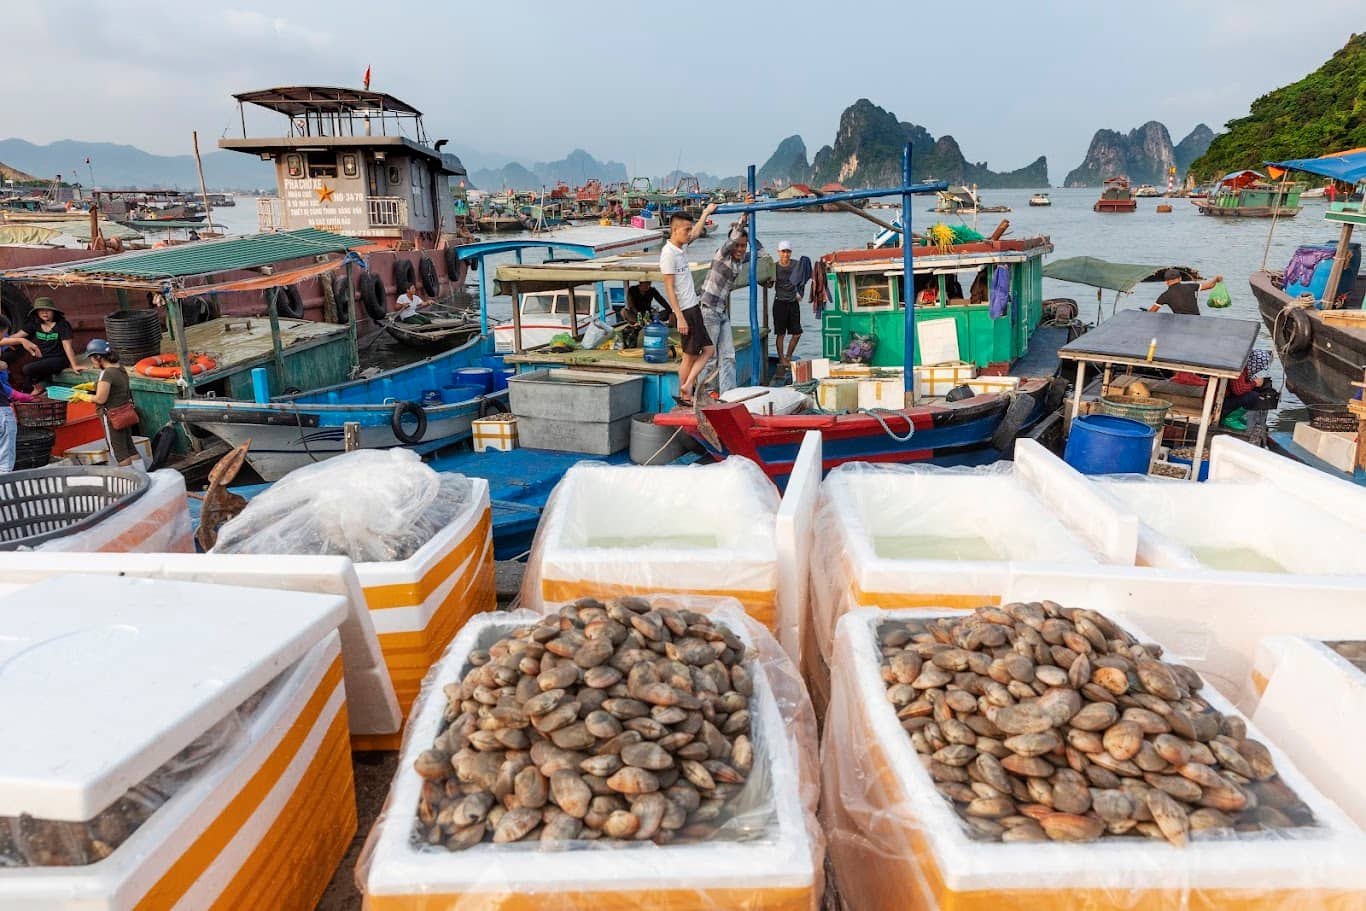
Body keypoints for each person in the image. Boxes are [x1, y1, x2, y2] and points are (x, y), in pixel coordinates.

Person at [660, 202, 718, 405]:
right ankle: (686, 390)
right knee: (690, 355)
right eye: (685, 230)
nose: (688, 233)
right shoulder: (668, 254)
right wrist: (680, 318)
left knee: (704, 351)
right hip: (686, 310)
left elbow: (695, 233)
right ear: (674, 230)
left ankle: (687, 388)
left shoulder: (680, 248)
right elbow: (669, 289)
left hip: (693, 307)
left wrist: (705, 213)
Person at [698, 201, 758, 394]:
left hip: (721, 311)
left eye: (744, 246)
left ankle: (728, 395)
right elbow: (733, 240)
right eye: (738, 246)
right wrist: (745, 215)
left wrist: (751, 234)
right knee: (711, 357)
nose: (741, 249)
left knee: (729, 356)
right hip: (708, 310)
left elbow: (760, 251)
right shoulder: (722, 254)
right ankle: (704, 394)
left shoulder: (740, 261)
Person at [72, 339, 138, 467]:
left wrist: (81, 396)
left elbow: (100, 399)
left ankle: (134, 481)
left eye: (91, 357)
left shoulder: (106, 373)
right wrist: (91, 386)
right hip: (125, 413)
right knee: (130, 448)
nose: (91, 361)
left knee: (119, 453)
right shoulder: (119, 368)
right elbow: (113, 386)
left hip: (112, 417)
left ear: (98, 357)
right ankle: (145, 475)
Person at [4, 299, 79, 392]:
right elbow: (17, 336)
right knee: (27, 378)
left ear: (53, 312)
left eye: (48, 310)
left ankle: (34, 390)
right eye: (41, 310)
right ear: (37, 313)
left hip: (59, 359)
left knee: (27, 369)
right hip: (43, 359)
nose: (44, 313)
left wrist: (74, 365)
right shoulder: (35, 323)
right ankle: (26, 397)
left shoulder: (62, 325)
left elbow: (67, 346)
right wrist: (7, 341)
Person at [1221, 349, 1273, 429]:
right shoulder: (1240, 369)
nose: (1259, 369)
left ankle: (1235, 416)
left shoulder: (1245, 368)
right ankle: (1230, 419)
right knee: (1253, 396)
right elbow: (1238, 390)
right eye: (1260, 367)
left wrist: (1253, 383)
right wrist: (1254, 383)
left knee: (1255, 391)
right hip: (1221, 402)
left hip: (1228, 398)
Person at [772, 241, 803, 367]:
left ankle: (789, 356)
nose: (786, 254)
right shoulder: (774, 267)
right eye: (783, 251)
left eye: (788, 251)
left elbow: (806, 274)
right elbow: (768, 283)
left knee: (797, 333)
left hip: (793, 302)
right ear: (778, 252)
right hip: (780, 302)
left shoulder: (796, 265)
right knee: (780, 334)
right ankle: (781, 358)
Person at [1149, 269, 1222, 315]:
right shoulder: (1191, 287)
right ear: (1180, 278)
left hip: (1180, 323)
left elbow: (1152, 312)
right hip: (1196, 320)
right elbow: (1210, 286)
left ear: (1167, 282)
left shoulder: (1164, 295)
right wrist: (1216, 279)